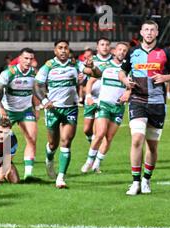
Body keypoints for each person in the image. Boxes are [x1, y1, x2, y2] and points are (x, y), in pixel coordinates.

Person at [118, 20, 170, 195]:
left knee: (152, 146)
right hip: (137, 100)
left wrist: (165, 78)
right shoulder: (133, 52)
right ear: (141, 32)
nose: (149, 32)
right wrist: (125, 80)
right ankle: (135, 182)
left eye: (152, 30)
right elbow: (122, 71)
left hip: (157, 102)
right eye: (146, 29)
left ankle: (146, 179)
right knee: (137, 139)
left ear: (157, 32)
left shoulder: (165, 52)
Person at [34, 39, 93, 188]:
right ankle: (49, 159)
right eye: (60, 48)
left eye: (66, 48)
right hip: (53, 109)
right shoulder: (48, 66)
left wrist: (89, 71)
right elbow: (37, 85)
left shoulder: (75, 64)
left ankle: (60, 178)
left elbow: (89, 73)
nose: (63, 50)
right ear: (55, 51)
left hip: (70, 108)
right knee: (53, 144)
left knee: (66, 142)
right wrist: (44, 100)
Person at [80, 42, 131, 173]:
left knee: (109, 137)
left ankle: (97, 164)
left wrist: (128, 92)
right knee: (100, 133)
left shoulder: (130, 69)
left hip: (118, 107)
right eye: (120, 49)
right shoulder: (105, 66)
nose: (122, 52)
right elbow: (92, 78)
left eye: (125, 50)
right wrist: (89, 95)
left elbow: (132, 86)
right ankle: (88, 161)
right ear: (114, 51)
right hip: (104, 104)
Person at [0, 48, 39, 181]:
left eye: (31, 59)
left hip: (26, 111)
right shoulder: (9, 72)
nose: (28, 61)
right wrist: (0, 108)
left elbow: (35, 92)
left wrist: (37, 108)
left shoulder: (34, 73)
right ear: (20, 58)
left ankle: (28, 175)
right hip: (8, 111)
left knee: (32, 139)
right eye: (26, 58)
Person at [83, 38, 112, 144]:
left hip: (105, 99)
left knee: (98, 129)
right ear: (97, 47)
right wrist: (88, 95)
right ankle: (92, 141)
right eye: (102, 44)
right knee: (87, 130)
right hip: (91, 97)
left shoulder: (113, 61)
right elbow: (86, 75)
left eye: (107, 44)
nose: (105, 46)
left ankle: (94, 153)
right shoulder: (91, 60)